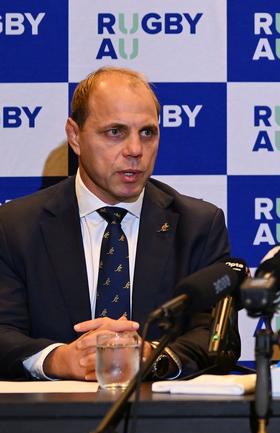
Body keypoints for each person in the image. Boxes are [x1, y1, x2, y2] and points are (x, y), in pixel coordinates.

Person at [0, 67, 239, 380]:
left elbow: (218, 337)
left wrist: (152, 356)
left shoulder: (198, 226)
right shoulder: (15, 226)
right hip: (50, 421)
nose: (135, 151)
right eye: (115, 132)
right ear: (75, 135)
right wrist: (60, 360)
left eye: (147, 133)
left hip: (161, 422)